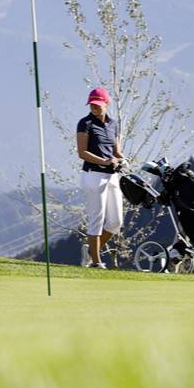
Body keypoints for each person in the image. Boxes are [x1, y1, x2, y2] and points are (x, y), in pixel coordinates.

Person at [76, 86, 125, 268]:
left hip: (112, 176)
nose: (94, 108)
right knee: (97, 218)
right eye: (91, 105)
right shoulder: (85, 123)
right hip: (93, 176)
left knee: (115, 222)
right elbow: (82, 152)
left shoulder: (113, 124)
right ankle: (96, 262)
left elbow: (117, 151)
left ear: (107, 103)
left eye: (97, 105)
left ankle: (90, 251)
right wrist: (105, 161)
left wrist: (122, 160)